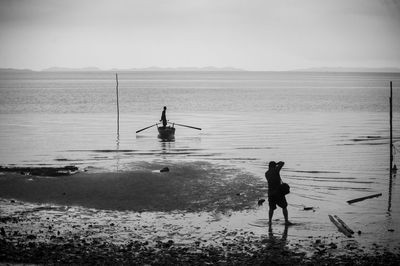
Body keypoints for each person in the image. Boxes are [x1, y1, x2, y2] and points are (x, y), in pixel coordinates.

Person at [265, 161, 292, 226]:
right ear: (274, 166)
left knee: (271, 208)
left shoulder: (267, 173)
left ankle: (270, 221)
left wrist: (274, 165)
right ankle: (286, 221)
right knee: (284, 206)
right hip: (278, 193)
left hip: (270, 193)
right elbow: (282, 163)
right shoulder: (276, 170)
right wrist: (277, 164)